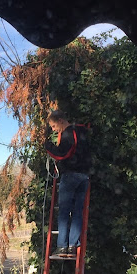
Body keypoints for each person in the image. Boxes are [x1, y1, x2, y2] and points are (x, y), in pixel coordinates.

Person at [44, 110, 92, 258]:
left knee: (64, 212)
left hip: (71, 174)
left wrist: (48, 146)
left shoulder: (68, 134)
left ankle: (62, 247)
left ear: (60, 120)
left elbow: (62, 154)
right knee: (78, 211)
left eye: (53, 126)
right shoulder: (82, 131)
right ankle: (72, 246)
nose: (54, 130)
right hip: (84, 176)